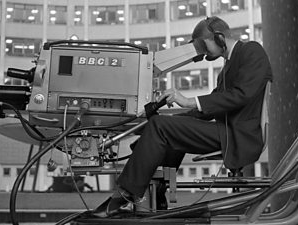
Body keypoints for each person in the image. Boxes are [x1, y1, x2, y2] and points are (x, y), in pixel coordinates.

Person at [92, 16, 273, 218]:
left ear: (220, 38)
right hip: (227, 131)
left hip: (238, 136)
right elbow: (208, 109)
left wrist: (186, 101)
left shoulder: (251, 50)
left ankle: (122, 198)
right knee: (162, 127)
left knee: (162, 127)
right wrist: (167, 118)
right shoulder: (226, 70)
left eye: (205, 46)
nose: (203, 54)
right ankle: (159, 190)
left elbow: (241, 95)